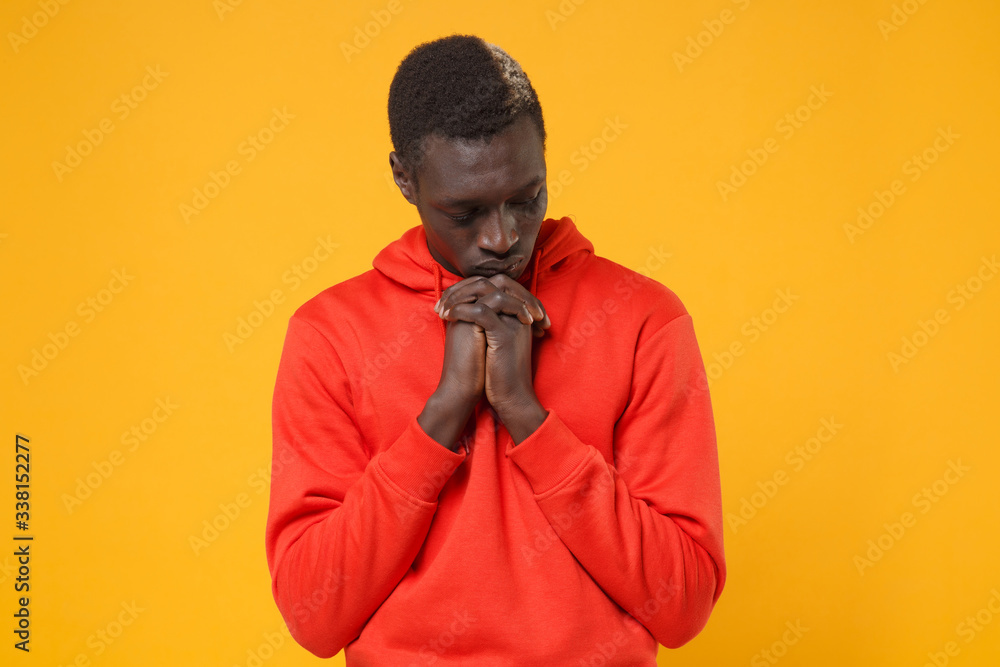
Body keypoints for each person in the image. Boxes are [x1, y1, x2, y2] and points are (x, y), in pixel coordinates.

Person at [265, 34, 726, 665]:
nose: (503, 236)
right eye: (466, 212)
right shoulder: (330, 334)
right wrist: (445, 411)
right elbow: (313, 617)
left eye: (526, 198)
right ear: (404, 178)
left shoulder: (644, 319)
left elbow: (683, 605)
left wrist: (526, 416)